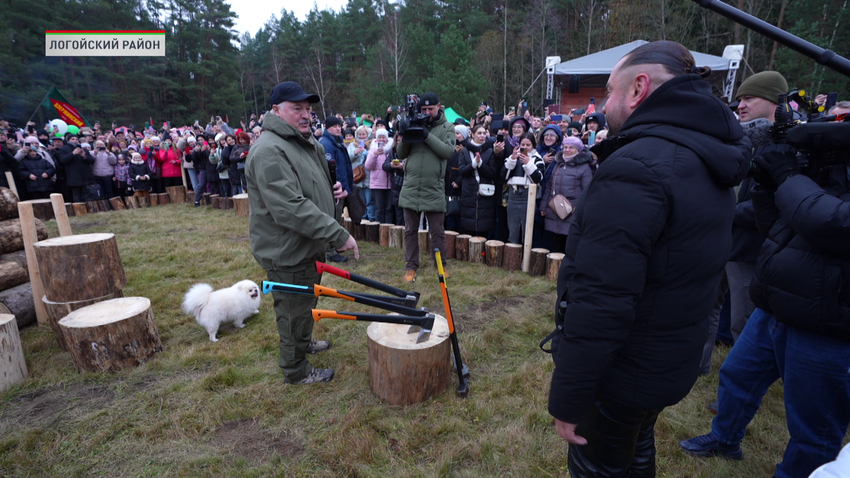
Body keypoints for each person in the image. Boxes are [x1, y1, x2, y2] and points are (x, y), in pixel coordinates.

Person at [547, 41, 750, 477]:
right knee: (635, 448)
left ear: (639, 87)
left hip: (623, 369)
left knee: (601, 466)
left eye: (609, 90)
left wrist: (570, 394)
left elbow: (603, 296)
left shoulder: (639, 166)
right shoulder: (702, 152)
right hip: (665, 359)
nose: (602, 104)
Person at [679, 113, 850, 478]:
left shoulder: (816, 187)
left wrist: (788, 175)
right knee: (737, 375)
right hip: (778, 303)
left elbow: (830, 223)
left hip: (829, 320)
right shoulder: (824, 178)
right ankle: (725, 437)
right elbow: (775, 225)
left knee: (813, 425)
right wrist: (766, 184)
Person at [245, 81, 358, 385]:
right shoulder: (269, 150)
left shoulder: (305, 143)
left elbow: (308, 188)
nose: (306, 115)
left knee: (307, 301)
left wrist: (330, 189)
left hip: (307, 243)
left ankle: (302, 343)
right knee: (294, 310)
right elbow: (290, 208)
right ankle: (295, 370)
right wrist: (338, 234)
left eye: (308, 109)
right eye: (297, 108)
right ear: (276, 111)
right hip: (288, 249)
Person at [396, 92, 455, 282]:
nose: (427, 112)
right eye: (423, 109)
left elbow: (447, 151)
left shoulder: (447, 127)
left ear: (439, 106)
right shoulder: (413, 123)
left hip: (434, 187)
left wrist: (426, 135)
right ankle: (411, 266)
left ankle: (440, 265)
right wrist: (405, 134)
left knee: (437, 231)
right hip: (411, 185)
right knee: (410, 230)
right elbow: (401, 153)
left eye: (430, 108)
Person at [539, 135, 592, 254]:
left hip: (573, 210)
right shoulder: (558, 164)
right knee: (554, 241)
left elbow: (587, 191)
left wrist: (580, 211)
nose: (567, 150)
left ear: (578, 150)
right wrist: (543, 206)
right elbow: (549, 186)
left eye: (571, 148)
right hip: (554, 208)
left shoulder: (584, 167)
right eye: (565, 147)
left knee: (568, 243)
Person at [319, 116, 353, 263]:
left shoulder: (337, 141)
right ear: (326, 128)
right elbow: (332, 170)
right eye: (334, 126)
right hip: (334, 190)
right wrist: (339, 188)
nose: (338, 128)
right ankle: (330, 251)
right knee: (332, 219)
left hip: (341, 188)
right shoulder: (326, 144)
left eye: (339, 126)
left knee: (336, 218)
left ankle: (334, 246)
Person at [503, 132, 544, 244]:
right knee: (512, 227)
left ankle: (525, 258)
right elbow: (504, 176)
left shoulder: (537, 159)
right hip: (514, 194)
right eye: (523, 144)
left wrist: (528, 164)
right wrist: (511, 160)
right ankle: (512, 256)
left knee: (527, 228)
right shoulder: (513, 157)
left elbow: (538, 178)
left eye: (528, 145)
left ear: (533, 146)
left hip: (528, 195)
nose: (525, 147)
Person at [457, 124, 497, 237]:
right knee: (468, 225)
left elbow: (492, 173)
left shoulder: (489, 151)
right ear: (473, 134)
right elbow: (462, 171)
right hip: (468, 192)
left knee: (485, 226)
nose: (482, 136)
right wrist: (473, 164)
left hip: (485, 193)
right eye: (479, 133)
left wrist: (481, 164)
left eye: (484, 133)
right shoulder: (465, 151)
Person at [365, 128, 394, 224]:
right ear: (376, 139)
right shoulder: (373, 149)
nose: (381, 139)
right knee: (379, 209)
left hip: (389, 183)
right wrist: (374, 154)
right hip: (377, 184)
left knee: (389, 209)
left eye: (383, 137)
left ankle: (389, 230)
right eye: (379, 137)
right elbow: (368, 166)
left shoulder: (391, 149)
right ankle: (379, 232)